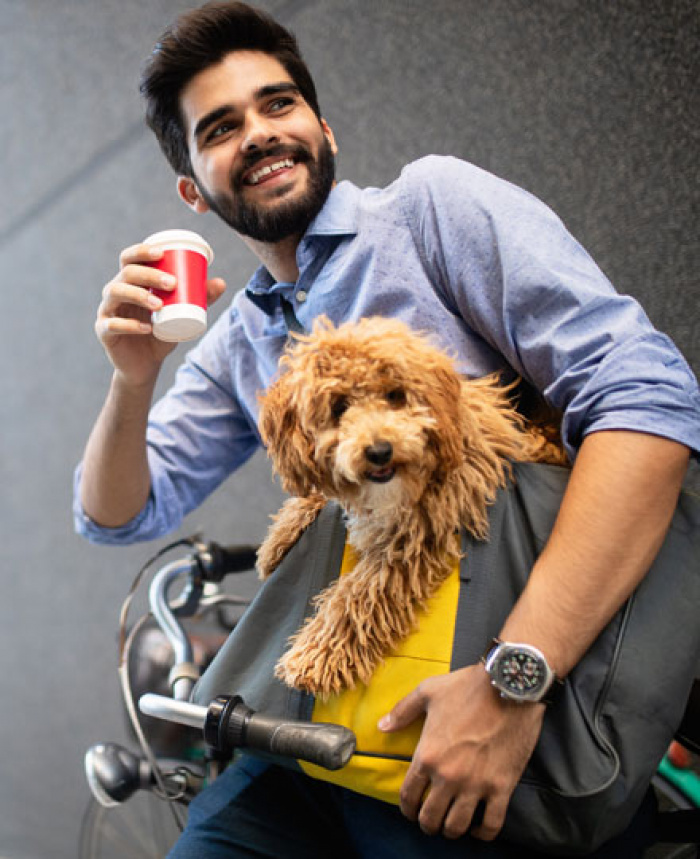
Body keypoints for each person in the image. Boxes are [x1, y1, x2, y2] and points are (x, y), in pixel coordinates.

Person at [73, 2, 700, 856]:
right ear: (194, 190)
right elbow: (116, 514)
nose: (259, 133)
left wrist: (514, 682)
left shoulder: (431, 210)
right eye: (221, 128)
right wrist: (132, 377)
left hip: (479, 716)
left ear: (323, 128)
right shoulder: (238, 344)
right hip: (309, 736)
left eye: (278, 104)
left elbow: (648, 402)